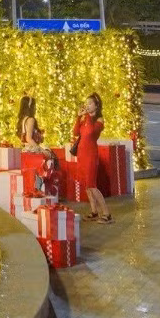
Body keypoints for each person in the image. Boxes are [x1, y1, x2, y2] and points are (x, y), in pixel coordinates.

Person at [71, 95, 113, 223]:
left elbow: (90, 133)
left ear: (96, 105)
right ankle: (94, 211)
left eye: (90, 103)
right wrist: (79, 117)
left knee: (92, 185)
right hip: (82, 155)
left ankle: (107, 214)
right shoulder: (85, 119)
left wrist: (87, 117)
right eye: (86, 103)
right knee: (87, 186)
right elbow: (75, 132)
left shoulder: (98, 120)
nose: (87, 105)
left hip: (90, 156)